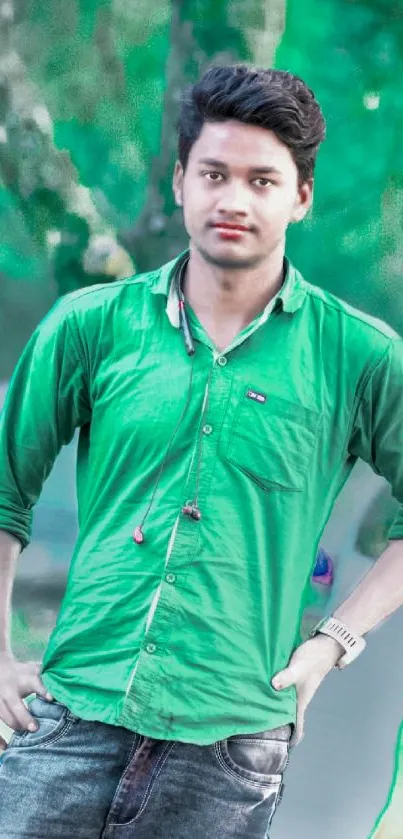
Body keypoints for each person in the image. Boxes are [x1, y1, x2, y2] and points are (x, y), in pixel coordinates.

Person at [0, 63, 403, 839]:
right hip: (68, 724)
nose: (233, 199)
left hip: (231, 751)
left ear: (300, 196)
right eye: (214, 173)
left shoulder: (359, 355)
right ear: (181, 180)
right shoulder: (90, 325)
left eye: (261, 179)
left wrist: (333, 641)